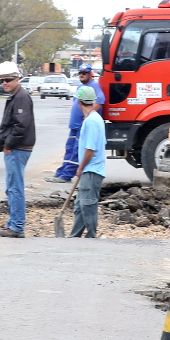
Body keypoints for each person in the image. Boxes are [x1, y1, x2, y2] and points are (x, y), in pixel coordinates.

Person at [0, 61, 36, 238]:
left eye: (8, 79)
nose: (5, 83)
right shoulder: (16, 96)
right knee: (12, 187)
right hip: (16, 148)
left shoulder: (21, 97)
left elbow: (21, 125)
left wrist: (8, 144)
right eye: (2, 80)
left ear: (17, 78)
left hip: (18, 148)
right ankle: (13, 223)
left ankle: (17, 226)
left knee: (15, 188)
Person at [46, 64, 106, 183]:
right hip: (74, 126)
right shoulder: (81, 87)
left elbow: (100, 101)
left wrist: (88, 115)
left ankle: (66, 175)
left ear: (90, 74)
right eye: (80, 73)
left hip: (81, 125)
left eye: (84, 73)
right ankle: (61, 172)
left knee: (76, 151)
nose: (82, 75)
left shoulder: (94, 86)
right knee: (69, 149)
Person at [70, 85, 106, 238]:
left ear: (79, 103)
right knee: (80, 205)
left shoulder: (91, 121)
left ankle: (91, 235)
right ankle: (75, 235)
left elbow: (90, 150)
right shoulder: (95, 118)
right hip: (91, 170)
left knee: (88, 204)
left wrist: (80, 167)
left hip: (91, 170)